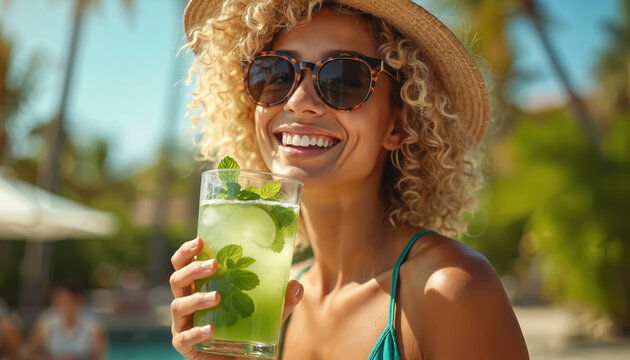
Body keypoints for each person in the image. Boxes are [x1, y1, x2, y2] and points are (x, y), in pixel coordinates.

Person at [170, 0, 530, 359]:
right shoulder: (267, 302)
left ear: (398, 124)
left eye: (344, 79)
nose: (298, 101)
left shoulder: (451, 290)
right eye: (276, 74)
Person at [25, 282, 107, 360]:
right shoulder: (46, 321)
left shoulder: (93, 325)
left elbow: (99, 356)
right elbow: (31, 354)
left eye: (65, 300)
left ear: (78, 300)